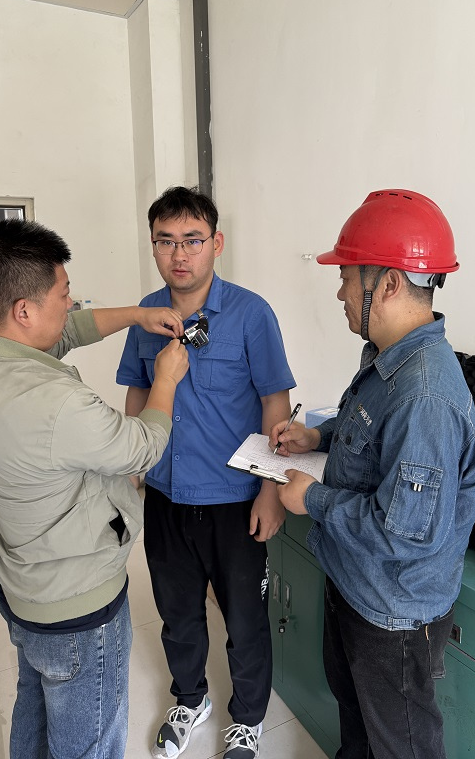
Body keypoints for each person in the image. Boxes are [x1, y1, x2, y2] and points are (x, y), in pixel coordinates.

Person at [0, 218, 189, 759]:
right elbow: (142, 447)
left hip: (26, 592)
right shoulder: (56, 403)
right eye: (63, 293)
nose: (72, 301)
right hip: (78, 609)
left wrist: (137, 315)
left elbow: (67, 333)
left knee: (33, 716)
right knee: (89, 744)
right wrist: (166, 380)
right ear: (24, 311)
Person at [269, 189, 475, 759]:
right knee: (359, 730)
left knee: (399, 746)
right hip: (357, 584)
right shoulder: (390, 358)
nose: (339, 292)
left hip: (393, 617)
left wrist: (312, 500)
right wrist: (318, 437)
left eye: (346, 277)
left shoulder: (425, 396)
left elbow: (405, 532)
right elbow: (368, 429)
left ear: (386, 284)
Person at [116, 186, 295, 759]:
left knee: (245, 619)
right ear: (153, 246)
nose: (179, 254)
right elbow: (137, 390)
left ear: (216, 243)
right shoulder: (146, 314)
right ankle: (189, 699)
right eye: (165, 241)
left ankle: (248, 719)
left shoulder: (250, 314)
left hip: (235, 498)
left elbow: (275, 405)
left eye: (192, 240)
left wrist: (271, 490)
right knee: (177, 614)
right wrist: (135, 468)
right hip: (167, 495)